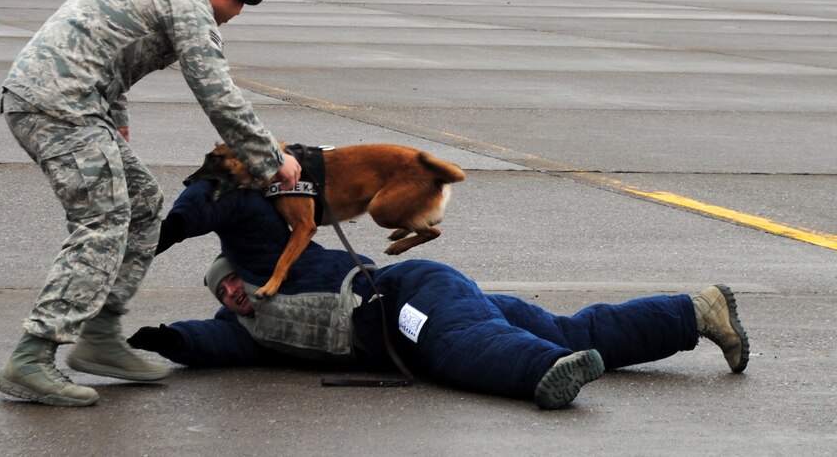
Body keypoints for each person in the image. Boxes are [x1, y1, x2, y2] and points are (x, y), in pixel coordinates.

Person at [127, 177, 750, 410]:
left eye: (233, 278)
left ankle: (546, 374)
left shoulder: (276, 260)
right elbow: (214, 342)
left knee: (456, 343)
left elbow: (228, 196)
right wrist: (166, 340)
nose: (234, 292)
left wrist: (177, 224)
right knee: (572, 330)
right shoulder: (248, 329)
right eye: (224, 291)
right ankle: (695, 312)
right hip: (426, 301)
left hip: (406, 296)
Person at [0, 0, 302, 407]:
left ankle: (100, 333)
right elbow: (216, 91)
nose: (236, 13)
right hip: (56, 104)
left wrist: (116, 113)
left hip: (73, 102)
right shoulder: (190, 1)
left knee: (142, 202)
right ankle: (32, 357)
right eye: (238, 1)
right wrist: (271, 159)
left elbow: (106, 46)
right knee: (102, 219)